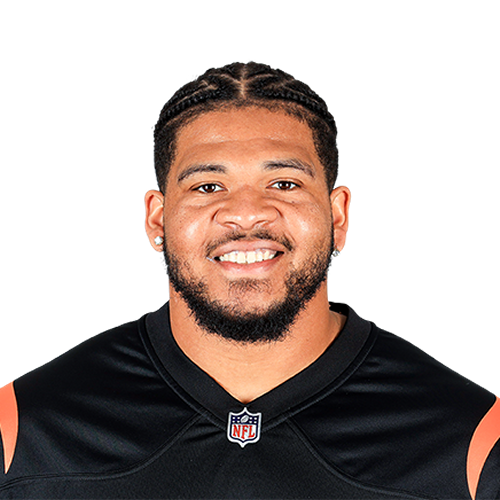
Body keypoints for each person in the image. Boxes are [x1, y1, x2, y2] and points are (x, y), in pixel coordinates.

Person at [0, 61, 498, 500]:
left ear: (338, 215)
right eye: (207, 186)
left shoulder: (473, 440)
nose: (245, 213)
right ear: (156, 220)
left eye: (284, 183)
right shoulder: (21, 427)